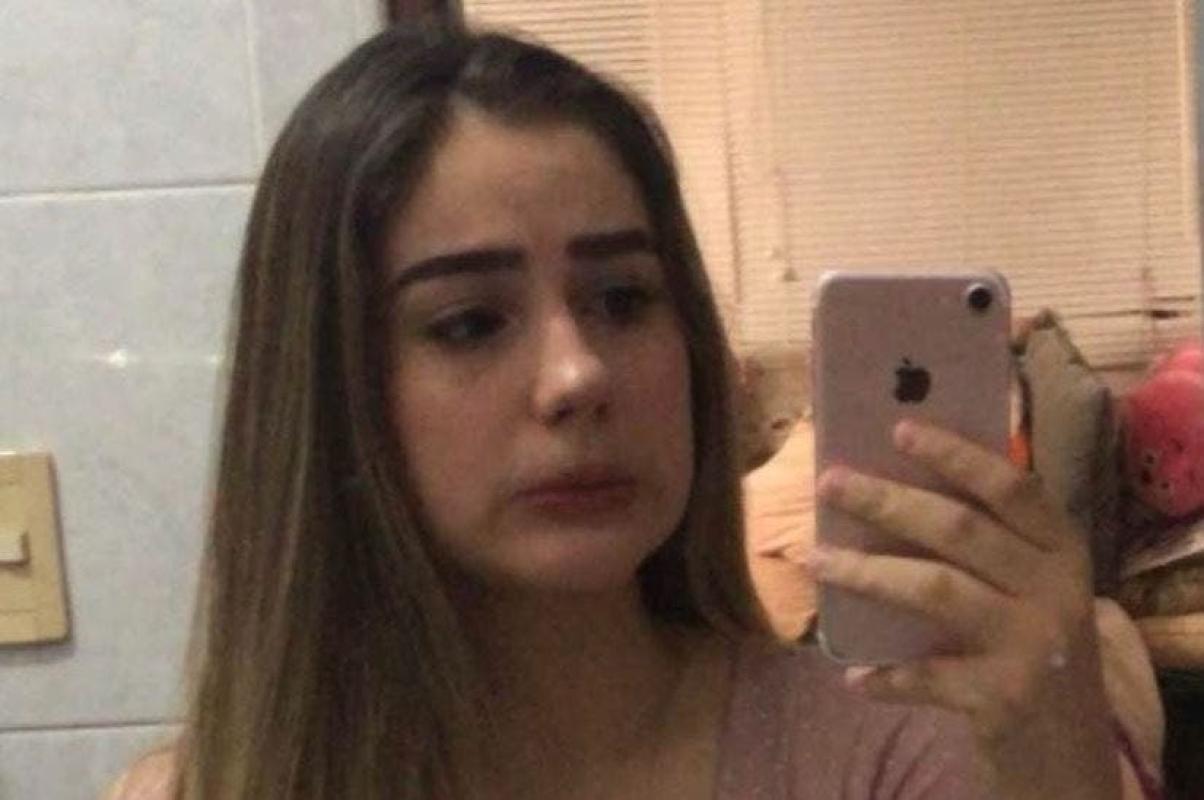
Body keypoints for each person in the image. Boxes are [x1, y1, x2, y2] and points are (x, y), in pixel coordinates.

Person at [108, 19, 1161, 800]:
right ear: (332, 390)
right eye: (470, 322)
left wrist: (1060, 766)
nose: (578, 374)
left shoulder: (890, 758)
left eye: (622, 299)